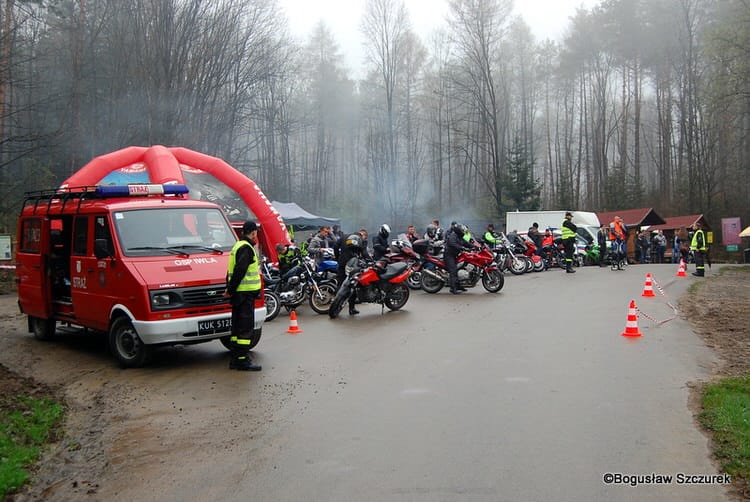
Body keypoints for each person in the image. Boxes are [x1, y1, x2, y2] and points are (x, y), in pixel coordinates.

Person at [223, 221, 262, 371]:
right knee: (245, 328)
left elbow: (230, 272)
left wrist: (229, 289)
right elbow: (239, 271)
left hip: (239, 294)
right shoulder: (246, 248)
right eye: (256, 233)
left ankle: (235, 357)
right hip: (244, 295)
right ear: (253, 232)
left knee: (237, 327)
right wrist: (231, 290)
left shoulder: (237, 246)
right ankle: (242, 359)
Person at [337, 233, 369, 315]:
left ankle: (336, 304)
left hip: (342, 263)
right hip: (352, 265)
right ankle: (351, 308)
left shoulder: (343, 236)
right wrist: (370, 261)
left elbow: (335, 246)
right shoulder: (359, 240)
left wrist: (337, 257)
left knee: (341, 284)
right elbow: (364, 252)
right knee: (353, 285)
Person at [445, 223, 474, 294]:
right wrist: (462, 248)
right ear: (458, 230)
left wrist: (475, 247)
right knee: (453, 270)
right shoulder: (453, 236)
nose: (463, 232)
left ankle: (458, 285)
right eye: (462, 231)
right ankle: (453, 288)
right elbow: (453, 244)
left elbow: (466, 243)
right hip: (449, 255)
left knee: (461, 267)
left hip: (455, 255)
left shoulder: (459, 236)